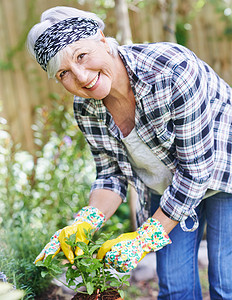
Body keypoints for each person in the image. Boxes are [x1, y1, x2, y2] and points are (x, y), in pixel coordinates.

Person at [27, 6, 232, 300]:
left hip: (224, 169)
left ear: (101, 37)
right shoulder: (86, 108)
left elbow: (196, 171)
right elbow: (111, 175)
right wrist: (85, 221)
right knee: (175, 288)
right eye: (64, 73)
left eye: (81, 56)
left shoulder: (172, 70)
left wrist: (144, 238)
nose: (82, 77)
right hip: (168, 183)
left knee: (226, 282)